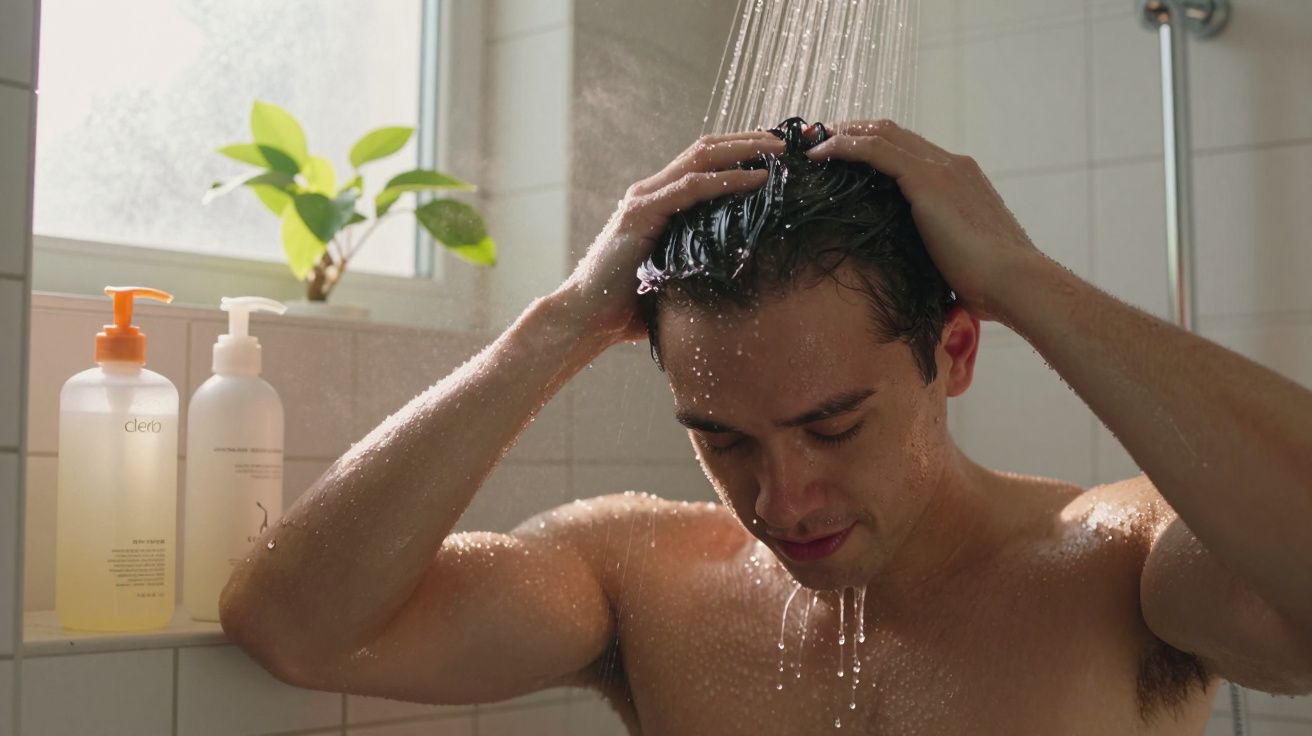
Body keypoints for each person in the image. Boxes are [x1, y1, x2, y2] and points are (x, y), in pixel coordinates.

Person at [219, 118, 1312, 735]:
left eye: (833, 426)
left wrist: (1025, 281)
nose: (779, 503)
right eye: (723, 438)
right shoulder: (637, 581)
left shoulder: (1118, 565)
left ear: (957, 352)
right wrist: (551, 330)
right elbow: (298, 625)